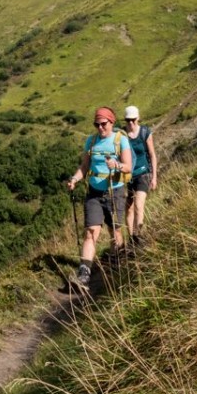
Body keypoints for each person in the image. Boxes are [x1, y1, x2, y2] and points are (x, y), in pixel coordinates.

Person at [65, 106, 133, 290]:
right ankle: (84, 274)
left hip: (114, 191)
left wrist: (116, 165)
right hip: (94, 193)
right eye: (97, 124)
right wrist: (75, 179)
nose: (100, 128)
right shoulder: (91, 141)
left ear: (111, 122)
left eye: (103, 124)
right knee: (90, 232)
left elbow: (128, 167)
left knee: (116, 232)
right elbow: (84, 166)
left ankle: (116, 264)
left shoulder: (121, 141)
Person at [121, 104, 157, 248]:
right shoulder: (122, 135)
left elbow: (152, 155)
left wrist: (154, 177)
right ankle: (131, 238)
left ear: (138, 118)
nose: (130, 123)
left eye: (133, 120)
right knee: (128, 208)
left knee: (138, 205)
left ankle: (137, 236)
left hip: (143, 173)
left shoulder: (145, 132)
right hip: (128, 176)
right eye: (128, 120)